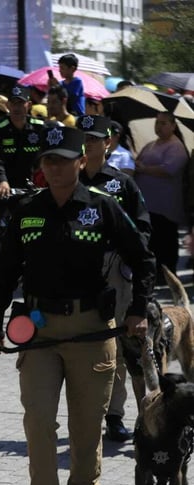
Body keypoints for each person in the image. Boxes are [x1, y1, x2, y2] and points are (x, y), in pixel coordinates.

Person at [0, 125, 155, 485]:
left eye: (63, 159)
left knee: (86, 427)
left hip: (93, 331)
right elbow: (5, 272)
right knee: (38, 423)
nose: (55, 167)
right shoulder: (27, 210)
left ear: (81, 161)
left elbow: (142, 256)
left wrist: (137, 310)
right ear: (41, 166)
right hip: (39, 330)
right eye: (48, 160)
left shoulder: (104, 207)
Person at [77, 114, 152, 442]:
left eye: (94, 138)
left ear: (108, 143)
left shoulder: (122, 183)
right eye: (83, 138)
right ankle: (90, 412)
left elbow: (144, 228)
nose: (87, 143)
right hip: (79, 272)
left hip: (117, 272)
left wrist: (130, 257)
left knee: (121, 345)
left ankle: (118, 415)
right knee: (85, 345)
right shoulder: (70, 179)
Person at [0, 86, 46, 259]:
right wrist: (2, 181)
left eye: (21, 103)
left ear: (29, 105)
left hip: (29, 183)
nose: (17, 107)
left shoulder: (40, 128)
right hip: (0, 181)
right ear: (8, 106)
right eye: (14, 103)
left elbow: (46, 156)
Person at [134, 111, 189, 277]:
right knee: (153, 241)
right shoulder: (152, 144)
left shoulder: (176, 146)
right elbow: (139, 160)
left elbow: (169, 169)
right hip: (148, 204)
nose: (159, 126)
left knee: (165, 241)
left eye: (163, 123)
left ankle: (167, 274)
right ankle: (154, 273)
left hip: (165, 205)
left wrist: (145, 169)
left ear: (173, 126)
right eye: (157, 122)